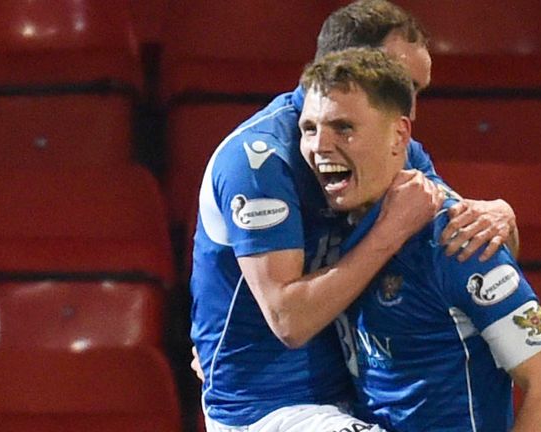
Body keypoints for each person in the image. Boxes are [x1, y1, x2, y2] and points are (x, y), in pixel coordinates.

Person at [190, 1, 520, 431]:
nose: (411, 111)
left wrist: (501, 218)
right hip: (265, 409)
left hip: (356, 400)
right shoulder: (258, 162)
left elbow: (470, 244)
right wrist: (387, 232)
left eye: (417, 92)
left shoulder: (395, 148)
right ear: (345, 68)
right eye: (402, 85)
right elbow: (290, 321)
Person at [299, 47, 541, 432]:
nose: (319, 146)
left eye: (343, 128)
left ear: (399, 135)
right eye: (309, 129)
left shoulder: (457, 240)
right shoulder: (328, 232)